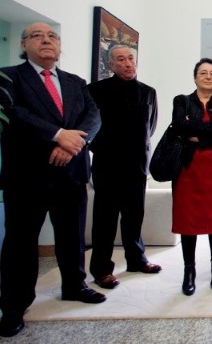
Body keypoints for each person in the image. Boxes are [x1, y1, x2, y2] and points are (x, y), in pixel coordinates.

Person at [0, 23, 105, 338]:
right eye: (37, 36)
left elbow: (93, 116)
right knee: (20, 242)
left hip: (71, 172)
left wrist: (75, 145)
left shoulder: (75, 82)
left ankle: (74, 285)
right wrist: (59, 136)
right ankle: (15, 305)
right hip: (27, 174)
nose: (46, 40)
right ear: (24, 44)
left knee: (72, 235)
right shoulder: (9, 77)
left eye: (52, 36)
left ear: (59, 47)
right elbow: (14, 112)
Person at [88, 45, 162, 290]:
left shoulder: (148, 92)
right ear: (111, 65)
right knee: (105, 219)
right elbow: (90, 127)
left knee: (134, 216)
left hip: (137, 165)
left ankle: (136, 259)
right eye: (121, 59)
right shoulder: (96, 90)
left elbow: (150, 128)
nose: (128, 63)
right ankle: (101, 269)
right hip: (107, 165)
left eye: (131, 58)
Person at [171, 58, 212, 296]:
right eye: (203, 72)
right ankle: (189, 270)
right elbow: (180, 127)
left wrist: (197, 132)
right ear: (195, 77)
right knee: (188, 221)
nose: (208, 76)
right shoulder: (182, 101)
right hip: (188, 169)